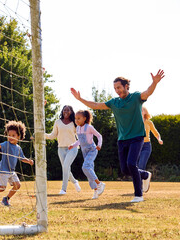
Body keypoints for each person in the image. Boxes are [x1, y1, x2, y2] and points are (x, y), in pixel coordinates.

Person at [71, 69, 165, 203]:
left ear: (126, 86)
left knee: (132, 164)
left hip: (137, 137)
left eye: (119, 87)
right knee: (126, 170)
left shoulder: (136, 98)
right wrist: (80, 99)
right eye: (115, 88)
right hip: (122, 139)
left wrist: (154, 82)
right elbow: (96, 105)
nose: (117, 90)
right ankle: (144, 174)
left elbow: (147, 92)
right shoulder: (114, 102)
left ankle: (138, 195)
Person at [0, 121, 34, 207]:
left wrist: (29, 161)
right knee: (2, 188)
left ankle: (6, 199)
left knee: (17, 185)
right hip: (3, 170)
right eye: (9, 135)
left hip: (11, 171)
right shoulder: (6, 144)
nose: (10, 137)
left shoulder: (18, 148)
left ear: (19, 136)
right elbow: (0, 145)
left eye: (13, 135)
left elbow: (22, 158)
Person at [44, 105, 81, 195]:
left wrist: (78, 144)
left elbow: (80, 137)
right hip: (61, 149)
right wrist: (43, 135)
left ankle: (63, 189)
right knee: (66, 168)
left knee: (65, 167)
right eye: (65, 110)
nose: (66, 112)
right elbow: (53, 135)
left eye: (68, 110)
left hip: (72, 148)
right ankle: (75, 182)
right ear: (62, 111)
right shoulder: (57, 122)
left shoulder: (74, 123)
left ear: (71, 112)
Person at [68, 110, 105, 199]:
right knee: (88, 170)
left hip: (92, 150)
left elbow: (99, 136)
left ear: (84, 118)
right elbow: (80, 141)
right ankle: (96, 190)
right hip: (84, 152)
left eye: (79, 118)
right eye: (75, 118)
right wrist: (73, 145)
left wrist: (99, 145)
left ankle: (100, 184)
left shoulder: (89, 127)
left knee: (86, 167)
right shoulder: (77, 128)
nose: (76, 120)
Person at [138, 106, 163, 172]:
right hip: (136, 145)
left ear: (145, 112)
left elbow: (156, 133)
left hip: (146, 145)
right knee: (134, 165)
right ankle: (144, 178)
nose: (140, 111)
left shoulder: (149, 123)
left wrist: (159, 139)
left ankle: (142, 179)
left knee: (141, 165)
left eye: (142, 110)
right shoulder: (135, 122)